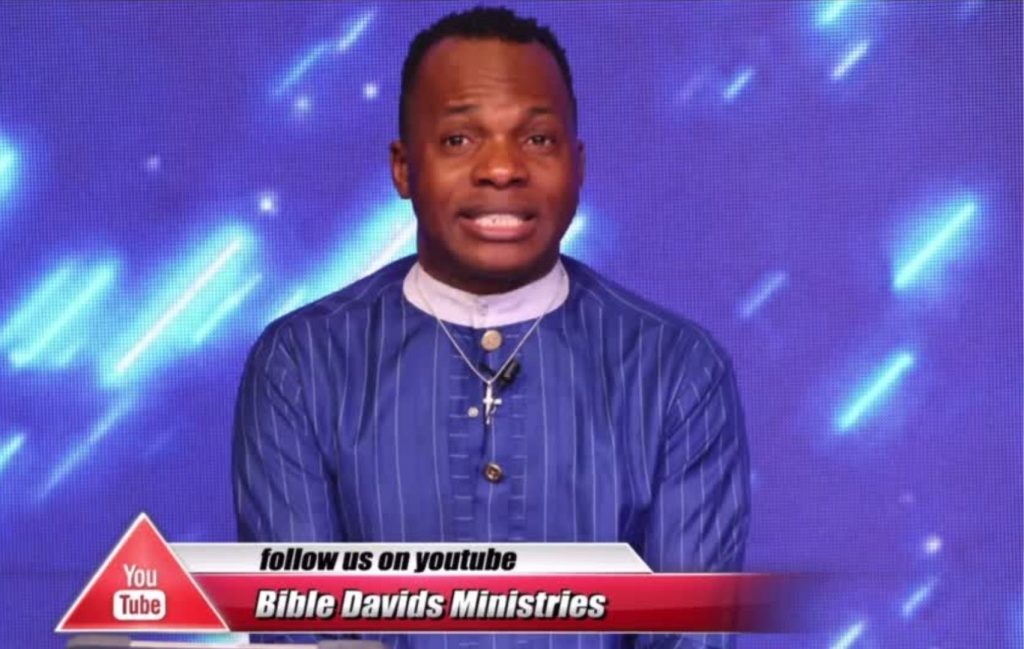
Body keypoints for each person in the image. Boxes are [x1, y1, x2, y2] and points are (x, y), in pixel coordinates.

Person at [233, 6, 751, 648]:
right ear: (403, 168)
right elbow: (299, 631)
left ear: (578, 166)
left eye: (537, 140)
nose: (502, 169)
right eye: (459, 140)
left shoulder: (677, 370)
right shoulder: (302, 364)